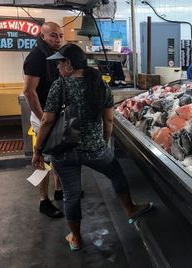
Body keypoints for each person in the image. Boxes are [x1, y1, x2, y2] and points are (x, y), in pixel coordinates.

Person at [31, 43, 154, 251]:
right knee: (116, 174)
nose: (58, 68)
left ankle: (76, 239)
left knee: (71, 195)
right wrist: (103, 142)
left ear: (69, 64)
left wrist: (38, 150)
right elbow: (108, 120)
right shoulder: (99, 84)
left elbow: (47, 121)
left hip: (64, 151)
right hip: (95, 150)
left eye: (60, 63)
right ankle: (131, 209)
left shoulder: (59, 86)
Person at [23, 22, 64, 218]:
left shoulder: (53, 55)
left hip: (54, 116)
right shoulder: (37, 57)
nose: (58, 40)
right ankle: (43, 201)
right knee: (41, 159)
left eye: (60, 36)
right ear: (43, 36)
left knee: (55, 155)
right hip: (43, 117)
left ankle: (58, 190)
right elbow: (29, 92)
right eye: (53, 36)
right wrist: (43, 118)